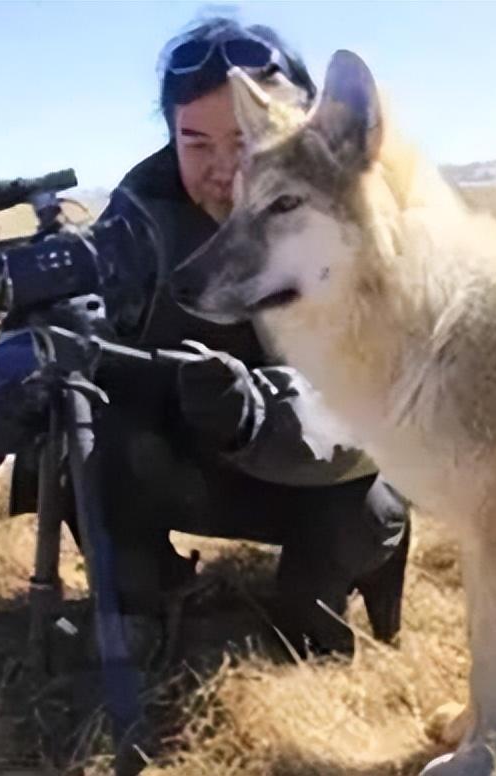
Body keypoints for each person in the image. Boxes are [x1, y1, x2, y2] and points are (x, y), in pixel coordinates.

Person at [76, 16, 411, 659]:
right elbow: (75, 327)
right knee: (78, 440)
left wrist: (258, 413)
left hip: (326, 472)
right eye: (195, 143)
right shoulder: (142, 213)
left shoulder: (357, 223)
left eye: (245, 139)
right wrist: (17, 374)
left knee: (368, 507)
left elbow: (370, 411)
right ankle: (146, 599)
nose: (225, 170)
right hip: (186, 462)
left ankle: (313, 612)